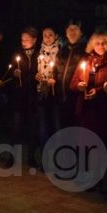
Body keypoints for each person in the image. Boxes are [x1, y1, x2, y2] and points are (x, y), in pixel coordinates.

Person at [70, 30, 107, 194]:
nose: (101, 46)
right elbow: (73, 82)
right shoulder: (86, 60)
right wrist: (79, 86)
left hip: (103, 111)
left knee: (103, 146)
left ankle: (104, 180)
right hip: (86, 110)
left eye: (104, 43)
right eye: (97, 43)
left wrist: (99, 91)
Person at [9, 26, 40, 168]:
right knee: (16, 128)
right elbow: (11, 69)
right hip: (19, 96)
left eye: (27, 40)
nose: (24, 42)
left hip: (33, 96)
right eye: (22, 40)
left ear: (34, 40)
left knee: (32, 129)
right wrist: (14, 73)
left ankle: (31, 157)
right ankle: (12, 156)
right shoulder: (17, 52)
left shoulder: (39, 54)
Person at [36, 26, 63, 158]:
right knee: (43, 127)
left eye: (50, 35)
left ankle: (57, 157)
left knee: (56, 125)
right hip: (42, 92)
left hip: (55, 93)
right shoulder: (40, 51)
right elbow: (37, 70)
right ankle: (45, 158)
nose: (47, 38)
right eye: (45, 35)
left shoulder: (60, 51)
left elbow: (62, 70)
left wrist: (55, 79)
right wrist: (37, 76)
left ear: (56, 36)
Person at [55, 19, 88, 128]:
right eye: (70, 29)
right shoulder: (62, 51)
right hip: (61, 97)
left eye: (75, 29)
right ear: (66, 32)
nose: (72, 32)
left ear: (81, 32)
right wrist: (51, 80)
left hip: (76, 99)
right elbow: (56, 71)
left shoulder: (86, 50)